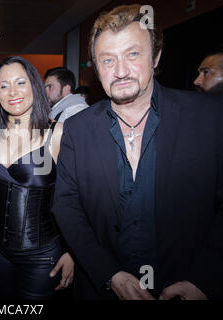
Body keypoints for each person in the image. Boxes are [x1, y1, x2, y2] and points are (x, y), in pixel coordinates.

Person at [53, 4, 223, 300]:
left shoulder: (210, 117)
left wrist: (204, 279)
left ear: (155, 57)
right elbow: (67, 207)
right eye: (107, 60)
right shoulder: (77, 129)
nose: (120, 71)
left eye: (133, 54)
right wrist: (109, 273)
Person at [0, 56, 74, 300]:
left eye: (20, 82)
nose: (12, 91)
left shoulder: (58, 134)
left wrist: (71, 251)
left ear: (35, 85)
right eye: (3, 85)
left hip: (43, 255)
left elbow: (77, 198)